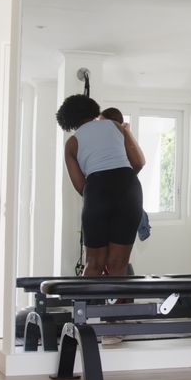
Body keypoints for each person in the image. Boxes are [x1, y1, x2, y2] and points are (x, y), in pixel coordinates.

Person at [56, 95, 145, 279]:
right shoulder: (115, 126)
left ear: (68, 121)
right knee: (118, 265)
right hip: (128, 187)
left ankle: (86, 308)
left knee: (94, 264)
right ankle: (119, 309)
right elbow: (137, 162)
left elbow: (81, 186)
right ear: (93, 109)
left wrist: (101, 191)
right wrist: (121, 183)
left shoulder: (71, 144)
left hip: (97, 190)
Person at [99, 107, 151, 242]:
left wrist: (127, 132)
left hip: (122, 203)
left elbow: (140, 162)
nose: (99, 126)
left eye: (102, 122)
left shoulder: (120, 141)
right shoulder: (108, 143)